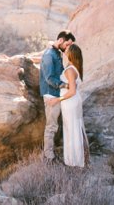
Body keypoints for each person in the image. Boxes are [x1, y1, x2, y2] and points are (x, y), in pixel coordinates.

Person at [40, 30, 74, 162]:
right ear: (60, 41)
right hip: (51, 94)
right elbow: (49, 78)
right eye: (67, 44)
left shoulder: (57, 53)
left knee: (56, 125)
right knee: (51, 126)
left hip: (57, 94)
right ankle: (49, 156)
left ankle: (56, 152)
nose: (68, 48)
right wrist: (66, 85)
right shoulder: (49, 54)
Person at [56, 44, 89, 167]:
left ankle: (74, 162)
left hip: (70, 102)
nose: (65, 50)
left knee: (72, 130)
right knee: (73, 129)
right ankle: (75, 160)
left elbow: (72, 91)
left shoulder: (70, 70)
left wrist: (57, 100)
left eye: (68, 49)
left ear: (71, 54)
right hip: (72, 102)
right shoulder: (73, 67)